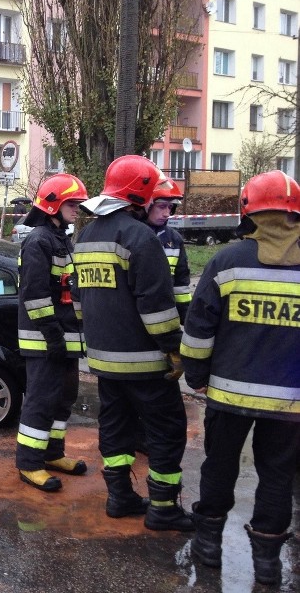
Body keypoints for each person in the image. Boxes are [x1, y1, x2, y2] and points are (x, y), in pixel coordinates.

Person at [181, 170, 299, 585]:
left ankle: (208, 544)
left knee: (220, 464)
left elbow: (199, 329)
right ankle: (267, 561)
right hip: (289, 402)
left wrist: (195, 374)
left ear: (248, 212)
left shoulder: (227, 261)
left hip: (228, 394)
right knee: (277, 475)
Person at [73, 155, 192, 531]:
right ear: (141, 193)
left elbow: (79, 302)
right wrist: (174, 348)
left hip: (104, 362)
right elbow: (156, 306)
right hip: (145, 363)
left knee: (115, 428)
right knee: (166, 429)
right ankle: (163, 508)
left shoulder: (86, 235)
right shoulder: (141, 238)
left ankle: (120, 497)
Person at [15, 173, 89, 492]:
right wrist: (54, 336)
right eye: (72, 204)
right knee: (41, 401)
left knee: (63, 399)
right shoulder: (38, 241)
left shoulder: (60, 238)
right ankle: (30, 464)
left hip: (64, 339)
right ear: (54, 205)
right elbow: (35, 296)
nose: (77, 209)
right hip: (45, 340)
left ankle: (52, 454)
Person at [146, 176, 192, 323]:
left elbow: (181, 285)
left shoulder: (174, 239)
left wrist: (187, 320)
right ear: (147, 205)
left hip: (166, 316)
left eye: (170, 208)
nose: (166, 213)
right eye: (161, 206)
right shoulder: (131, 235)